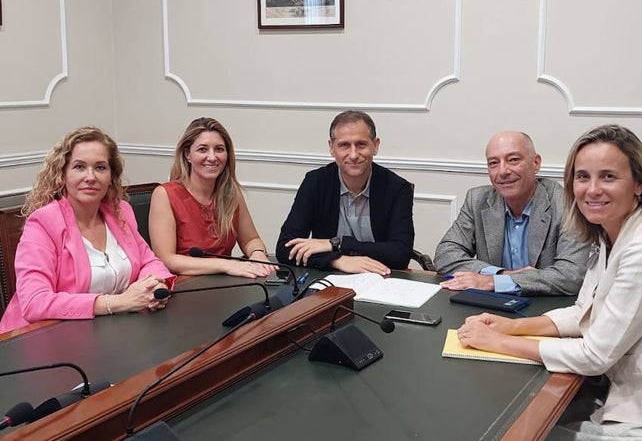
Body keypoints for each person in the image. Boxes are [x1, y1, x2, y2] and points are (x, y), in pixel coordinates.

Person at [456, 125, 642, 440]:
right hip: (628, 393)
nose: (592, 189)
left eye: (608, 177)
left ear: (639, 183)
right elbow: (582, 310)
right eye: (583, 177)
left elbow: (594, 356)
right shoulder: (609, 234)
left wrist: (498, 343)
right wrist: (510, 326)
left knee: (517, 432)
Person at [0, 127, 175, 334]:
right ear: (62, 174)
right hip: (44, 339)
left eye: (100, 168)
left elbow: (150, 262)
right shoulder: (43, 223)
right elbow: (35, 302)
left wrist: (152, 288)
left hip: (113, 332)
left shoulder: (120, 213)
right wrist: (117, 303)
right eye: (79, 167)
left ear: (112, 176)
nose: (90, 177)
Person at [435, 131, 588, 295]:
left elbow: (572, 275)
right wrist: (500, 275)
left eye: (513, 160)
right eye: (493, 163)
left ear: (536, 163)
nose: (502, 171)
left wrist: (494, 282)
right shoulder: (477, 200)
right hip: (491, 306)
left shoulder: (566, 203)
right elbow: (445, 254)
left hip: (544, 311)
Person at [275, 110, 414, 273]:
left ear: (375, 146)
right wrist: (336, 260)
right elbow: (285, 248)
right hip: (328, 282)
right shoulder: (315, 182)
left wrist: (337, 244)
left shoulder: (397, 188)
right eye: (344, 145)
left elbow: (401, 253)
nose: (353, 155)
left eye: (361, 144)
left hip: (381, 279)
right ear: (332, 148)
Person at [149, 118, 276, 278]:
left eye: (219, 149)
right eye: (203, 149)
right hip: (186, 287)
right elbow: (166, 260)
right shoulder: (165, 194)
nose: (212, 157)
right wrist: (226, 265)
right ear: (187, 154)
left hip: (224, 284)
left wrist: (257, 254)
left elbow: (251, 239)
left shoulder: (231, 193)